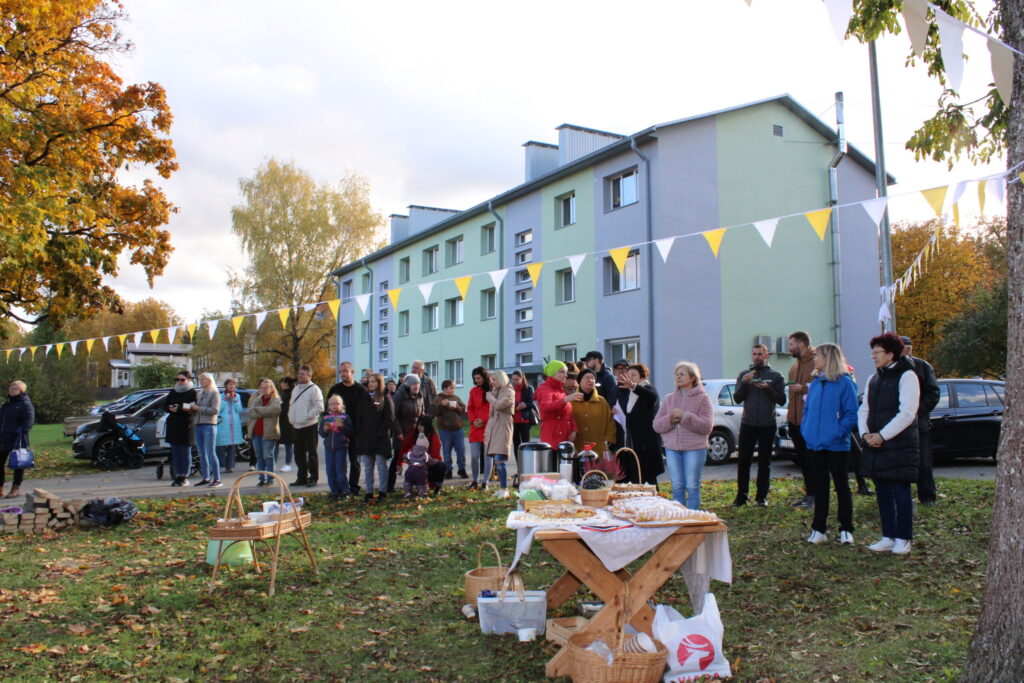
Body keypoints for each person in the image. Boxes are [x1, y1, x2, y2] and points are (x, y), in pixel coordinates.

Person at [859, 332, 921, 555]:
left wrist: (882, 435)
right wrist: (866, 434)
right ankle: (888, 535)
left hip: (899, 444)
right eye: (872, 352)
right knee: (882, 490)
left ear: (890, 354)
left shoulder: (907, 376)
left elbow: (907, 413)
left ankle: (903, 538)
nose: (873, 357)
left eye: (877, 353)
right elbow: (864, 409)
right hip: (876, 444)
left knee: (900, 491)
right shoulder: (873, 378)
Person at [801, 344, 859, 545]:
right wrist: (806, 430)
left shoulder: (844, 382)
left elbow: (851, 414)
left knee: (841, 486)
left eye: (818, 356)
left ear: (828, 358)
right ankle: (819, 529)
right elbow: (807, 409)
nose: (814, 359)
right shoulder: (816, 382)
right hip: (815, 444)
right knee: (820, 486)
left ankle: (846, 529)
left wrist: (836, 433)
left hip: (837, 445)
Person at [653, 362, 714, 509]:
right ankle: (680, 520)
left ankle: (692, 520)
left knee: (692, 486)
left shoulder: (703, 398)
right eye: (676, 374)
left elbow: (706, 426)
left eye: (682, 374)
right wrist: (670, 420)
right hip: (672, 448)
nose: (678, 377)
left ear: (693, 378)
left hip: (695, 448)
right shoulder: (669, 399)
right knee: (677, 487)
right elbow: (656, 425)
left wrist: (685, 417)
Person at [732, 344, 786, 506]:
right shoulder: (744, 375)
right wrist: (744, 383)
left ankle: (761, 497)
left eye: (760, 354)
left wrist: (768, 388)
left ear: (766, 355)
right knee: (743, 461)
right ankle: (741, 496)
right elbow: (737, 399)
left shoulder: (776, 375)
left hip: (767, 424)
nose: (756, 357)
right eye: (754, 354)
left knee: (764, 462)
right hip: (748, 423)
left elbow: (782, 400)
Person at [900, 336, 941, 505]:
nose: (905, 350)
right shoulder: (892, 368)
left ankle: (927, 496)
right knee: (900, 462)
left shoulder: (923, 367)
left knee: (923, 462)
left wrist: (916, 412)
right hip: (898, 424)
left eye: (907, 347)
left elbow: (933, 393)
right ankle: (902, 495)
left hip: (919, 423)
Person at [328, 361, 370, 495]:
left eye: (345, 371)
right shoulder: (335, 389)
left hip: (356, 431)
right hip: (338, 432)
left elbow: (366, 411)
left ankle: (353, 487)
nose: (343, 374)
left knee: (354, 461)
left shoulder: (361, 390)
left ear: (352, 372)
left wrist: (362, 429)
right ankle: (339, 488)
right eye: (340, 372)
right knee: (338, 463)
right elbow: (327, 409)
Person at [786, 331, 817, 509]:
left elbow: (821, 390)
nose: (789, 348)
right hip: (795, 421)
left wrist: (804, 389)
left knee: (813, 461)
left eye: (791, 344)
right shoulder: (794, 367)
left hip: (809, 422)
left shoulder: (816, 363)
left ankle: (817, 496)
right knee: (803, 461)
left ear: (801, 344)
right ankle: (809, 495)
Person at [620, 363, 663, 485]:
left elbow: (651, 397)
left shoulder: (648, 388)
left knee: (648, 478)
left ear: (642, 377)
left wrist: (634, 386)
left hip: (647, 443)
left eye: (633, 375)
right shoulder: (631, 393)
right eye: (628, 375)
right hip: (634, 441)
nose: (630, 378)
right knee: (636, 476)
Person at [361, 373, 399, 501]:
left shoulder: (385, 398)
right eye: (369, 381)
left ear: (379, 383)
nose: (371, 384)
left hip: (380, 437)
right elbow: (361, 416)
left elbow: (390, 417)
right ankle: (368, 492)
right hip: (366, 437)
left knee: (381, 465)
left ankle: (383, 491)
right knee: (367, 466)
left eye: (374, 382)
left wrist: (381, 431)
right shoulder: (365, 397)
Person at [287, 364, 325, 487]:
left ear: (309, 375)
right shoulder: (296, 388)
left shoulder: (314, 389)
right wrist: (291, 417)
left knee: (312, 453)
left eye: (303, 374)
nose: (300, 376)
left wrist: (307, 415)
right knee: (298, 453)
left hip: (309, 425)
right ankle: (302, 477)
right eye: (299, 373)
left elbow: (320, 406)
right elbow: (291, 404)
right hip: (297, 426)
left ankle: (313, 477)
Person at [390, 374, 425, 492]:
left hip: (414, 432)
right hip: (401, 432)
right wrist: (398, 432)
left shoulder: (420, 395)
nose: (416, 386)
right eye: (414, 384)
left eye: (418, 384)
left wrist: (422, 428)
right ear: (408, 385)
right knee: (398, 458)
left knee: (416, 459)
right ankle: (389, 486)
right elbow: (393, 415)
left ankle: (415, 485)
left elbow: (422, 413)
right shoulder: (399, 395)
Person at [483, 370, 515, 498]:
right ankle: (502, 488)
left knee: (499, 459)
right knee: (496, 460)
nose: (492, 382)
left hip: (503, 426)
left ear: (501, 379)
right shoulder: (496, 391)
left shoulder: (509, 391)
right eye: (491, 379)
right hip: (494, 427)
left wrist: (490, 398)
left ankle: (504, 489)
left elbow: (499, 405)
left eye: (494, 379)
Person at [569, 369, 616, 455]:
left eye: (592, 378)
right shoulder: (572, 401)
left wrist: (608, 440)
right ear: (579, 381)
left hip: (598, 448)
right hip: (576, 448)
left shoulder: (602, 401)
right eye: (586, 378)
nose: (590, 380)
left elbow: (610, 422)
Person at [0, 380, 35, 498]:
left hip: (18, 439)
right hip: (3, 438)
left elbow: (28, 423)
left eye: (15, 388)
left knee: (18, 464)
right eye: (11, 387)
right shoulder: (7, 405)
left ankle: (15, 489)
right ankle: (0, 488)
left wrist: (19, 433)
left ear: (21, 390)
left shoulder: (25, 404)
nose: (11, 389)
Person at [164, 371, 197, 487]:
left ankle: (185, 476)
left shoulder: (193, 393)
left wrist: (179, 408)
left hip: (186, 425)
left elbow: (193, 407)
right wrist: (170, 408)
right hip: (173, 424)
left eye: (182, 380)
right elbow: (165, 405)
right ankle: (178, 475)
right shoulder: (173, 392)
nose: (179, 382)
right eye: (177, 380)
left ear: (188, 380)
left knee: (184, 451)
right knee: (175, 451)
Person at [535, 361, 577, 449]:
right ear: (552, 373)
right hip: (552, 436)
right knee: (554, 462)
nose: (565, 375)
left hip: (565, 437)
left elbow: (569, 414)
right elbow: (546, 407)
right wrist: (565, 400)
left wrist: (574, 430)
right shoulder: (545, 389)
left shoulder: (560, 391)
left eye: (566, 372)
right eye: (562, 372)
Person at [247, 378, 281, 487]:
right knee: (259, 456)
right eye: (262, 387)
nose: (263, 390)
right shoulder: (257, 398)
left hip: (269, 433)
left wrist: (260, 410)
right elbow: (251, 412)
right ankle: (261, 478)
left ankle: (270, 478)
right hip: (256, 432)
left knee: (268, 456)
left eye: (266, 388)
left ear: (271, 389)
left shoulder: (275, 399)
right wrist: (263, 411)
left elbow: (274, 410)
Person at [319, 395, 353, 501]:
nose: (335, 405)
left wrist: (342, 426)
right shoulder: (325, 418)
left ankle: (345, 491)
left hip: (341, 446)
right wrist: (325, 430)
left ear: (341, 405)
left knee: (340, 470)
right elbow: (322, 434)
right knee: (330, 470)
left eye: (337, 403)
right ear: (328, 406)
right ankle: (334, 491)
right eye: (332, 403)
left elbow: (350, 431)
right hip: (329, 447)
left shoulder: (345, 417)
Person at [398, 416, 444, 494]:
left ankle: (436, 486)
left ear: (427, 426)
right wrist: (400, 464)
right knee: (411, 473)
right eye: (419, 425)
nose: (419, 427)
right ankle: (410, 489)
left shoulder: (433, 437)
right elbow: (404, 449)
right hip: (416, 466)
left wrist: (425, 460)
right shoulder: (413, 435)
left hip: (428, 465)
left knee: (441, 466)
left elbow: (435, 456)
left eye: (422, 425)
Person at [431, 379, 467, 479]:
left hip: (458, 428)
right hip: (445, 429)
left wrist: (457, 407)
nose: (453, 390)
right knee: (447, 451)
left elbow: (463, 408)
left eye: (453, 388)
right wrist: (441, 405)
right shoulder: (438, 398)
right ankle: (448, 470)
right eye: (451, 388)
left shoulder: (455, 397)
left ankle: (461, 469)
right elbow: (433, 411)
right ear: (445, 388)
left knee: (461, 450)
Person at [193, 372, 222, 487]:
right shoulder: (199, 394)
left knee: (210, 452)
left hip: (209, 425)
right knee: (201, 453)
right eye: (200, 380)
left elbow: (215, 410)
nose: (201, 382)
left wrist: (199, 408)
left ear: (209, 381)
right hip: (198, 424)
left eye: (203, 379)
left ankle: (217, 478)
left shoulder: (214, 393)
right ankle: (206, 477)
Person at [466, 367, 491, 489]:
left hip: (487, 427)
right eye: (475, 379)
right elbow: (470, 408)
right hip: (475, 427)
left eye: (479, 378)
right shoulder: (473, 391)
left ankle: (486, 481)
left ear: (484, 377)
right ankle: (475, 480)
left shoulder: (491, 390)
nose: (477, 381)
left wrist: (483, 420)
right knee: (474, 456)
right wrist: (473, 420)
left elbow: (492, 408)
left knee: (487, 456)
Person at [215, 378, 246, 476]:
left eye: (233, 384)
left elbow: (239, 410)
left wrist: (235, 400)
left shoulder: (238, 396)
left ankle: (230, 466)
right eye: (230, 384)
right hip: (222, 424)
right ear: (226, 385)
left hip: (234, 424)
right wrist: (224, 400)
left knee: (232, 446)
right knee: (220, 445)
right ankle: (221, 464)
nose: (232, 386)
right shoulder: (220, 396)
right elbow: (218, 410)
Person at [510, 370, 536, 455]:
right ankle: (519, 466)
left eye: (517, 379)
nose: (515, 382)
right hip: (513, 421)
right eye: (513, 379)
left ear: (522, 378)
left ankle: (526, 466)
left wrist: (525, 404)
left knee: (526, 444)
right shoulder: (511, 389)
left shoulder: (529, 388)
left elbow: (531, 404)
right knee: (516, 445)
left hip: (525, 420)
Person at [277, 376, 296, 473]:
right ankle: (273, 463)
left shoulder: (290, 395)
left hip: (288, 422)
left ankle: (288, 463)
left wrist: (278, 411)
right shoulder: (281, 394)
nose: (282, 384)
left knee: (288, 444)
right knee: (276, 442)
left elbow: (286, 409)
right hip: (279, 422)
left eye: (284, 383)